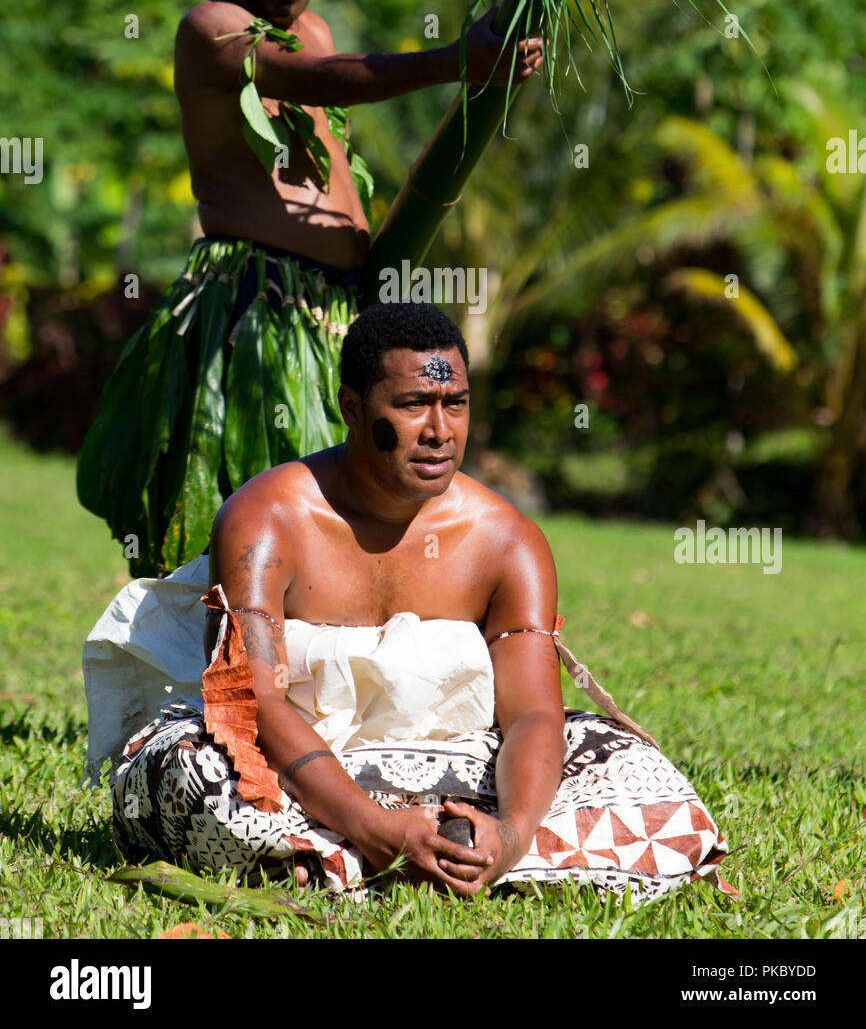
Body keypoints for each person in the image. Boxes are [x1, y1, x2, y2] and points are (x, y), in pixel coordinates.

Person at [84, 302, 735, 905]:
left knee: (645, 782)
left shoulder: (508, 542)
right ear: (352, 405)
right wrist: (371, 823)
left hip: (461, 768)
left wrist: (507, 834)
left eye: (456, 403)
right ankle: (392, 854)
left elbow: (534, 712)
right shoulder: (269, 517)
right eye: (415, 403)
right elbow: (254, 699)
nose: (439, 430)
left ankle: (405, 861)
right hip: (294, 771)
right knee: (186, 774)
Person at [76, 0, 544, 577]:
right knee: (261, 502)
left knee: (347, 507)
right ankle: (224, 667)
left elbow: (328, 86)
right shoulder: (212, 29)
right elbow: (324, 83)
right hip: (257, 307)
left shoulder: (316, 27)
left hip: (335, 312)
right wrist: (457, 58)